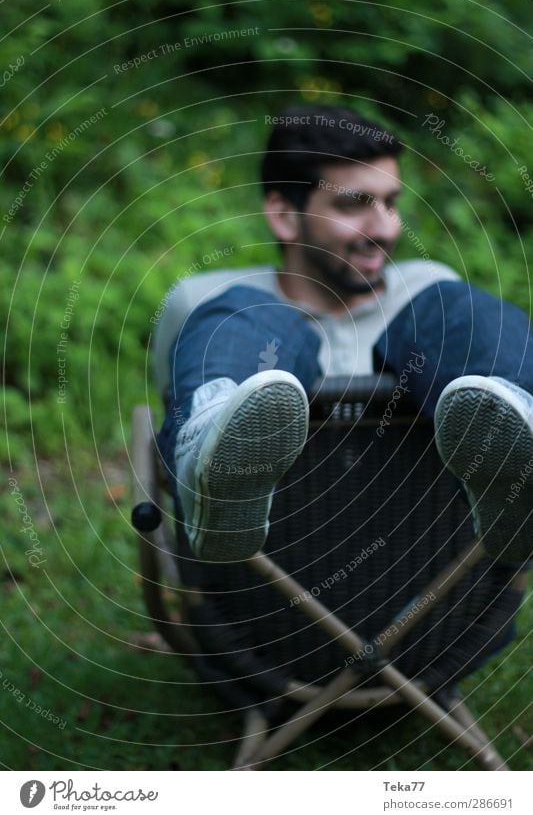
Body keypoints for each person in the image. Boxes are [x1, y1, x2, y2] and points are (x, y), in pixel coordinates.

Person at [154, 104, 533, 565]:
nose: (385, 228)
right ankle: (212, 459)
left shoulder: (429, 292)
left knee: (454, 305)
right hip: (270, 574)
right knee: (244, 314)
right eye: (352, 205)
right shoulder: (202, 301)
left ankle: (518, 453)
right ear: (284, 215)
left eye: (391, 203)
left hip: (429, 563)